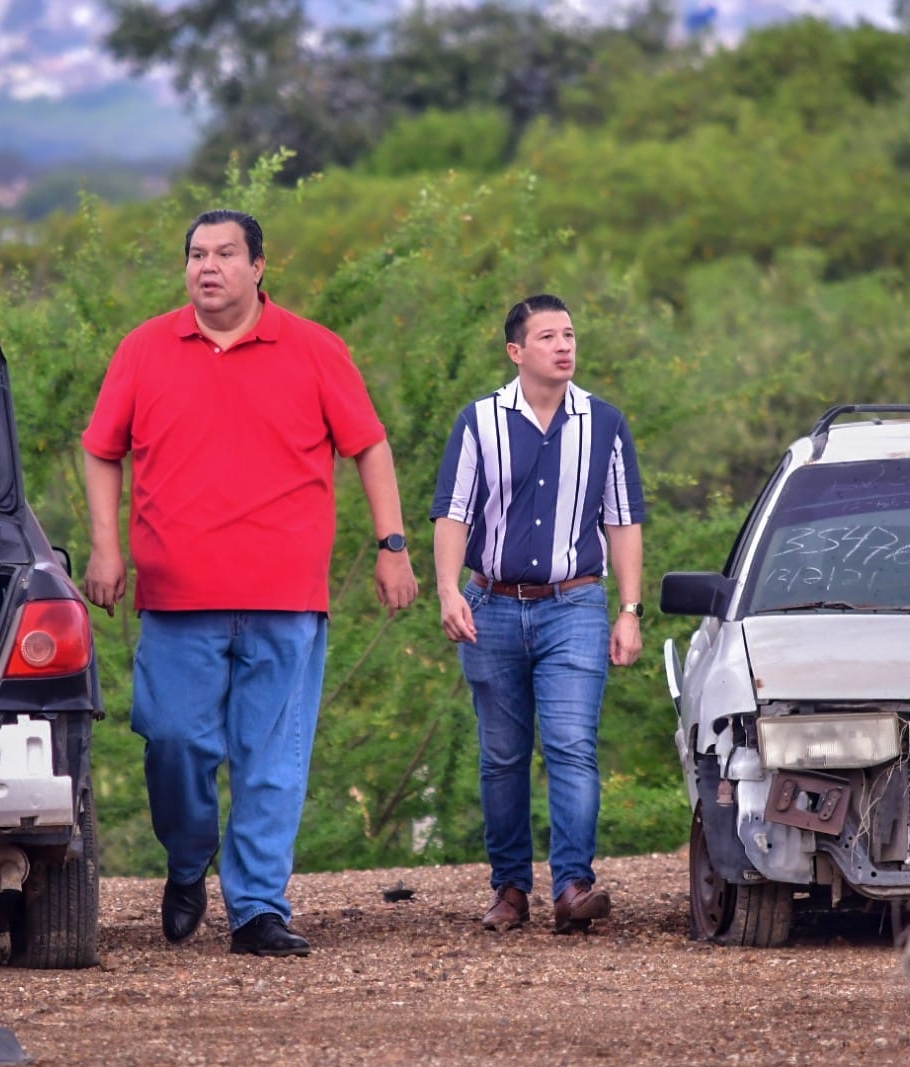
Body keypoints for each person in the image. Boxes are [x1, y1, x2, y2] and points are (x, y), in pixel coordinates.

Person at [80, 208, 418, 958]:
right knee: (173, 742)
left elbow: (369, 445)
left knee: (272, 759)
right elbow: (102, 450)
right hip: (175, 594)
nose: (209, 266)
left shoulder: (316, 348)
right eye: (197, 254)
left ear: (259, 267)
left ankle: (259, 907)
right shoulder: (144, 348)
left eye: (226, 253)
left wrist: (392, 545)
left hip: (286, 595)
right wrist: (107, 549)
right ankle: (187, 857)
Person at [430, 293, 646, 934]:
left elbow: (623, 521)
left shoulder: (605, 423)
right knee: (502, 755)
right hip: (491, 605)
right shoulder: (479, 421)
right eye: (548, 336)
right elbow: (453, 513)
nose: (563, 345)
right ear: (516, 351)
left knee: (572, 746)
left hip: (574, 604)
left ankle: (574, 886)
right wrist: (447, 591)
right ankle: (509, 889)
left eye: (569, 334)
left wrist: (629, 610)